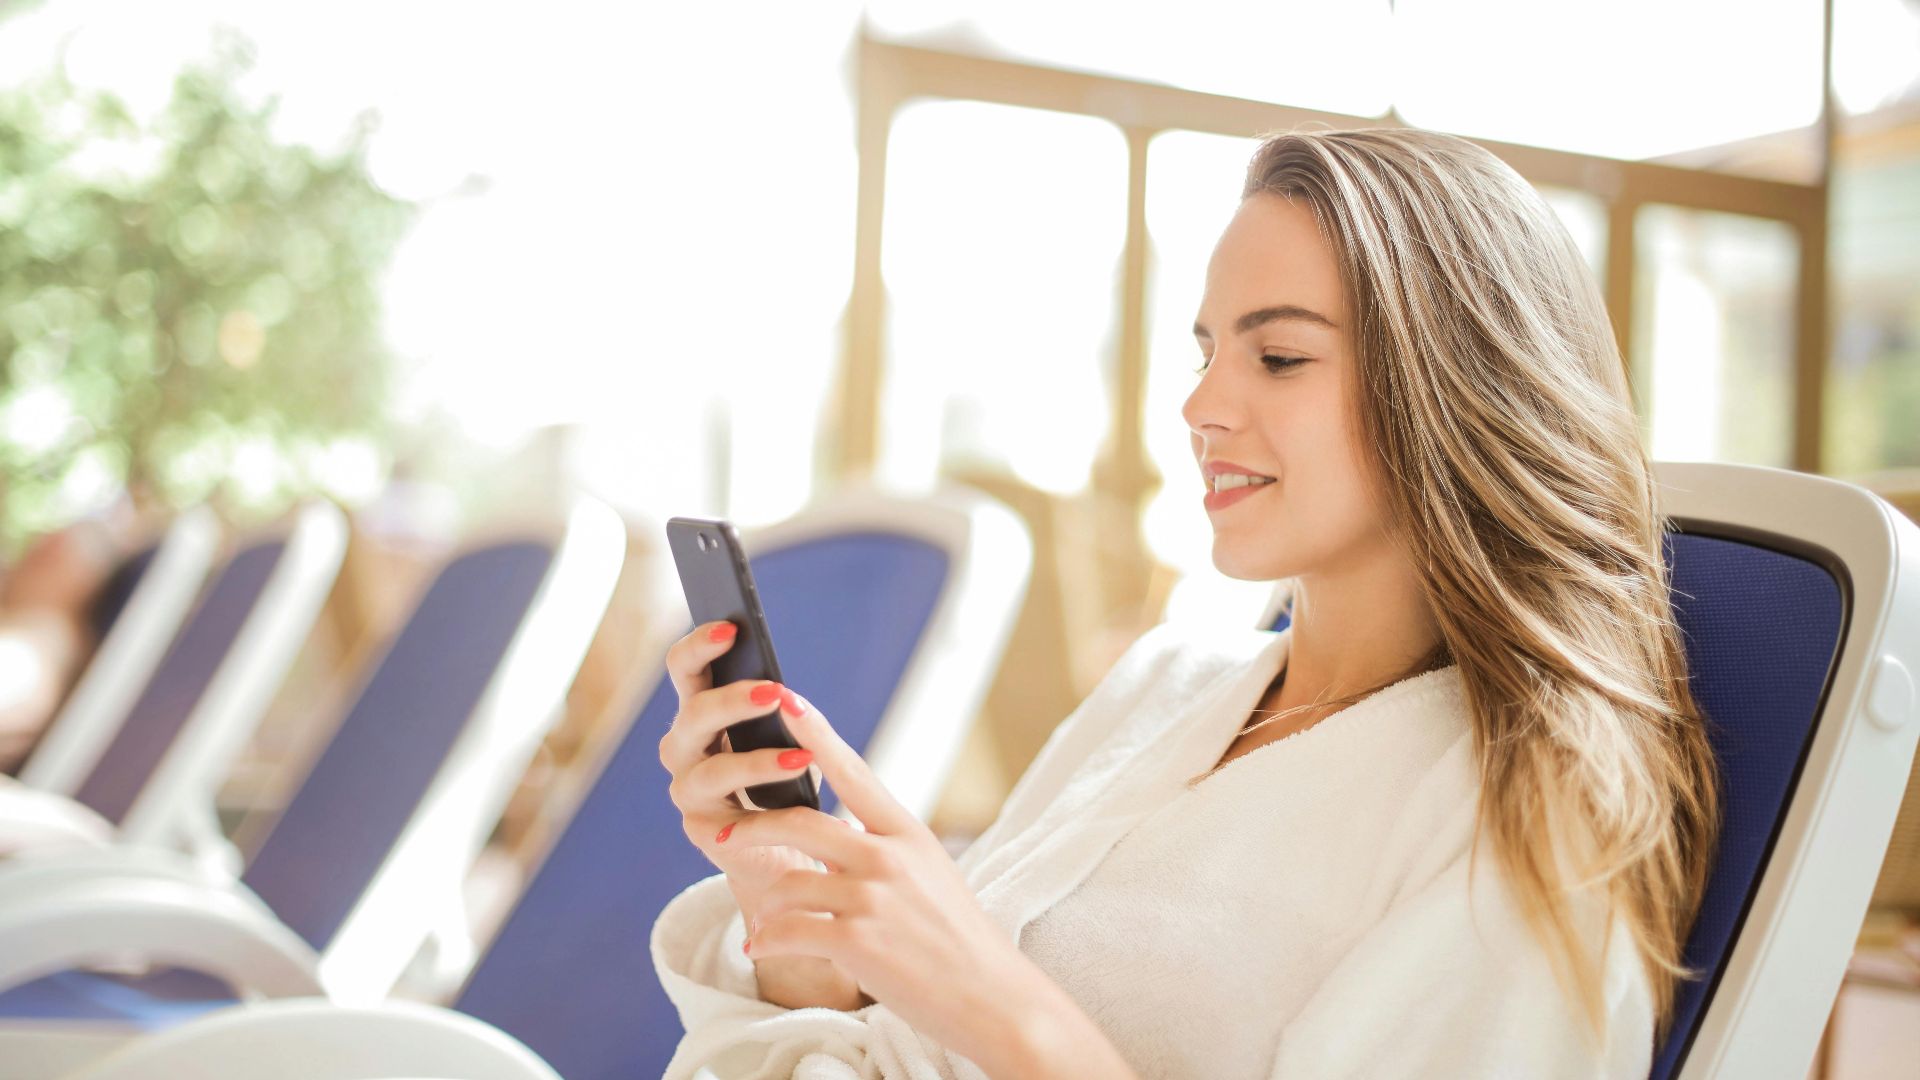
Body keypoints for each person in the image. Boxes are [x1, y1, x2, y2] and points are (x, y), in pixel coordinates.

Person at [651, 126, 1721, 1079]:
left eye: (1281, 355)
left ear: (1459, 388)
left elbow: (980, 1010)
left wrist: (1004, 1013)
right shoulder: (1166, 687)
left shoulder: (1529, 829)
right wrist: (803, 927)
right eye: (1208, 351)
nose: (1202, 405)